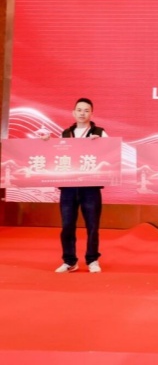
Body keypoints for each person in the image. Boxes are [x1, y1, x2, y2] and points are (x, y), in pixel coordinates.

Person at [48, 98, 107, 273]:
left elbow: (110, 154)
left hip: (90, 187)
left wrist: (101, 145)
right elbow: (56, 156)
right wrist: (46, 142)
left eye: (86, 110)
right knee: (67, 225)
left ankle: (92, 260)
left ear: (92, 113)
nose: (82, 113)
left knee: (92, 225)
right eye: (79, 110)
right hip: (68, 187)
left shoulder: (100, 133)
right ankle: (69, 261)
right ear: (73, 113)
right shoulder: (65, 134)